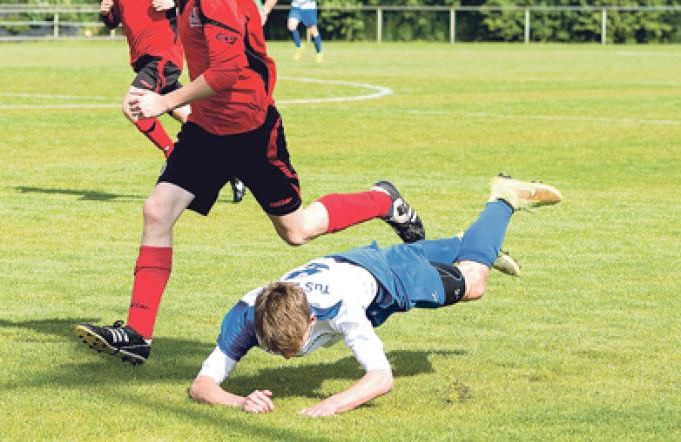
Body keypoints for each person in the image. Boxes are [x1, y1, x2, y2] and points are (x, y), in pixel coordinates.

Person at [75, 0, 424, 366]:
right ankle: (138, 334)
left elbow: (228, 70)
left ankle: (383, 201)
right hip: (206, 130)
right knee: (157, 211)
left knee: (296, 231)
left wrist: (165, 101)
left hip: (251, 130)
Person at [188, 174, 562, 416]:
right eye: (276, 348)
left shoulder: (343, 309)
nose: (288, 357)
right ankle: (476, 244)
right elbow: (201, 385)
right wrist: (240, 401)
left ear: (314, 319)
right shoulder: (246, 315)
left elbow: (381, 378)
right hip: (348, 262)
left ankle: (503, 198)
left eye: (293, 346)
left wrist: (331, 406)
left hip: (387, 280)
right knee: (463, 251)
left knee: (474, 282)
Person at [102, 0, 247, 203]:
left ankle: (173, 156)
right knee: (198, 121)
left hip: (164, 57)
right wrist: (107, 13)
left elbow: (191, 0)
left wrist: (172, 3)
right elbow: (114, 20)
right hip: (142, 61)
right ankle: (233, 166)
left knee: (132, 107)